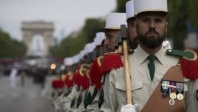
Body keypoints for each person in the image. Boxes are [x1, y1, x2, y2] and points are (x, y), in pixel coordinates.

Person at [103, 0, 198, 112]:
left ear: (165, 26)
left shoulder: (184, 65)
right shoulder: (118, 67)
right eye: (146, 20)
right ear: (136, 26)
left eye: (158, 20)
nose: (152, 26)